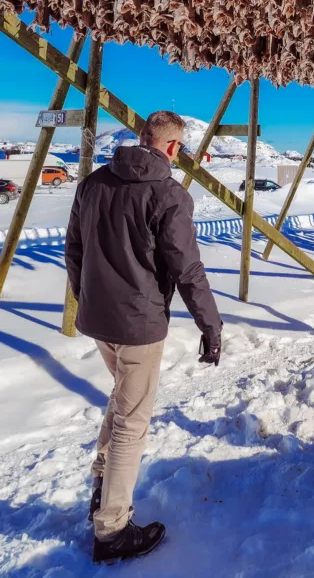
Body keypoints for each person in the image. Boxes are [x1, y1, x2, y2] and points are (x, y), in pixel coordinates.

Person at [65, 110, 222, 565]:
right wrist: (210, 325)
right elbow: (187, 268)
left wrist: (87, 295)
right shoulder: (168, 194)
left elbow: (73, 250)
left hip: (100, 321)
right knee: (133, 422)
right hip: (139, 326)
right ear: (173, 147)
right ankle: (112, 528)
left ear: (141, 138)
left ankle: (101, 485)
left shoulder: (94, 183)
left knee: (122, 401)